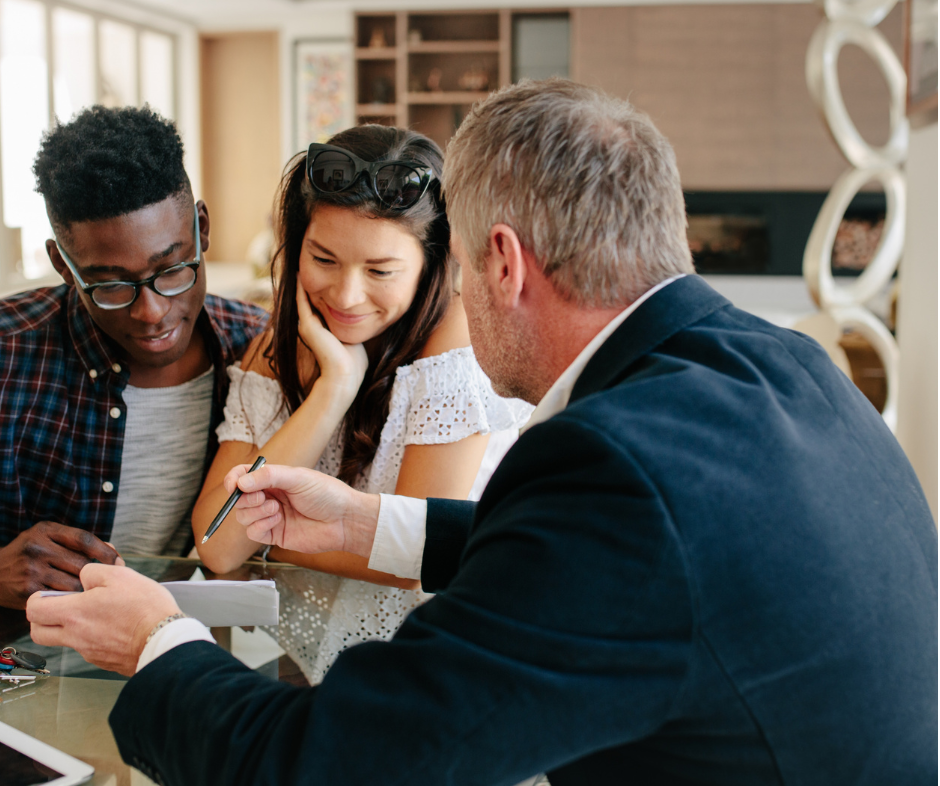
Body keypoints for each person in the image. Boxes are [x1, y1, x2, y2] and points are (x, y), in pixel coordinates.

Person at [28, 80, 937, 785]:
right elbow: (628, 570)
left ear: (498, 261)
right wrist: (360, 524)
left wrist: (156, 643)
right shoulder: (784, 366)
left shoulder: (616, 465)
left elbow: (325, 767)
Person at [190, 124, 532, 682]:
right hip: (314, 660)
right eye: (323, 259)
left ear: (431, 265)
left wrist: (270, 542)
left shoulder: (457, 351)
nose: (347, 296)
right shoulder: (272, 351)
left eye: (380, 271)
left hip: (441, 668)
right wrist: (332, 391)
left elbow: (411, 555)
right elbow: (219, 546)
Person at [0, 105, 266, 610]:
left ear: (202, 228)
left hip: (192, 668)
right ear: (63, 264)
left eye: (172, 269)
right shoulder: (8, 350)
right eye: (110, 285)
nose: (151, 312)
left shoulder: (258, 353)